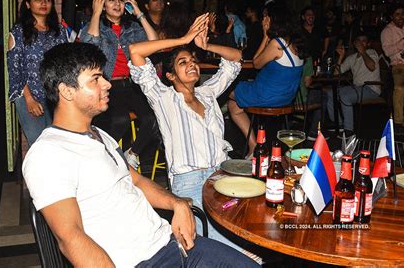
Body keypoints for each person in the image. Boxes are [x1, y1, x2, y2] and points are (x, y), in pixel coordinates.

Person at [23, 41, 258, 267]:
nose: (107, 84)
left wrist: (177, 204)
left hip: (171, 245)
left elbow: (136, 180)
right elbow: (71, 239)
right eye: (96, 79)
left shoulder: (100, 136)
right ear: (66, 91)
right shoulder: (49, 153)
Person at [129, 13, 247, 251]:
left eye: (193, 60)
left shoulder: (208, 92)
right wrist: (184, 38)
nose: (192, 64)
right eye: (182, 62)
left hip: (222, 176)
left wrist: (206, 45)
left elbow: (236, 59)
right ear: (171, 76)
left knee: (243, 235)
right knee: (219, 246)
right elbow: (136, 52)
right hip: (190, 182)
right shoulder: (163, 98)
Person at [80, 0, 160, 168]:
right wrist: (95, 13)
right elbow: (88, 46)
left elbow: (155, 43)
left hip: (132, 85)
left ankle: (131, 153)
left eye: (121, 0)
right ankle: (106, 159)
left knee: (153, 119)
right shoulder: (96, 27)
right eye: (111, 0)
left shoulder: (132, 28)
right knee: (120, 120)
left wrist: (139, 13)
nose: (117, 4)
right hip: (108, 86)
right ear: (103, 5)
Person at [228, 10, 304, 157]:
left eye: (266, 17)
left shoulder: (277, 43)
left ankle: (254, 147)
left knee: (227, 90)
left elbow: (256, 63)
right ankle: (255, 147)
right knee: (234, 104)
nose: (263, 19)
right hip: (286, 98)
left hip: (267, 95)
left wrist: (265, 36)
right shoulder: (295, 44)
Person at [7, 0, 68, 146]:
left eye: (47, 0)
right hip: (29, 95)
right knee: (38, 145)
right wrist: (29, 98)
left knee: (57, 144)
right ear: (28, 4)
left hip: (56, 97)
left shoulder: (59, 31)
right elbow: (15, 69)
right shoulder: (18, 32)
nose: (43, 3)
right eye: (38, 0)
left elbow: (65, 63)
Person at [328, 32, 381, 138]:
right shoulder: (351, 57)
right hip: (357, 88)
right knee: (331, 93)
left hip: (371, 88)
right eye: (359, 41)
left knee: (345, 96)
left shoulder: (371, 52)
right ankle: (339, 124)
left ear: (368, 44)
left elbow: (371, 66)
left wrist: (362, 51)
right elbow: (336, 73)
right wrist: (341, 56)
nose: (361, 43)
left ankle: (349, 130)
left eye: (364, 41)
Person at [381, 3, 404, 134]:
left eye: (402, 13)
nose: (401, 17)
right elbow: (388, 52)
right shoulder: (387, 31)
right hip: (399, 65)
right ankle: (398, 122)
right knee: (400, 89)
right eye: (397, 14)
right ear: (391, 16)